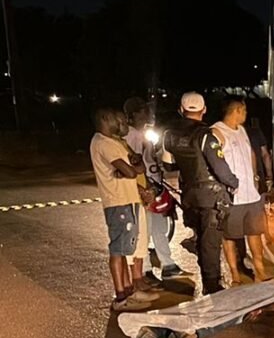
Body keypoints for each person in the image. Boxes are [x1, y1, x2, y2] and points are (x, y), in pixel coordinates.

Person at [163, 92, 238, 296]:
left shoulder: (169, 134)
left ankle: (208, 278)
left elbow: (168, 165)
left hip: (189, 195)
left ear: (181, 109)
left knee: (200, 239)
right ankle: (212, 285)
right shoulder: (205, 135)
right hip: (211, 196)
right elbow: (219, 167)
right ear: (204, 110)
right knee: (210, 243)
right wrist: (233, 182)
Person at [89, 107, 159, 312]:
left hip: (127, 199)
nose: (122, 124)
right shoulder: (103, 143)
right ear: (104, 118)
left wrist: (132, 168)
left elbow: (138, 167)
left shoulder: (113, 142)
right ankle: (120, 296)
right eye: (116, 120)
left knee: (126, 245)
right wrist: (131, 168)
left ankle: (129, 291)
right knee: (118, 249)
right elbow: (130, 170)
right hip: (117, 202)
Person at [123, 97, 183, 280]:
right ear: (134, 114)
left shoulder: (144, 133)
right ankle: (145, 269)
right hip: (145, 188)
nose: (147, 113)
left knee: (159, 226)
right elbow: (133, 163)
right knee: (145, 229)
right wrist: (143, 187)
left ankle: (168, 264)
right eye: (143, 110)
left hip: (156, 185)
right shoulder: (130, 135)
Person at [210, 97, 269, 283]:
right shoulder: (217, 131)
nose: (246, 114)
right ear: (237, 110)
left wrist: (255, 177)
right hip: (232, 197)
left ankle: (260, 272)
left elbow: (251, 153)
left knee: (255, 233)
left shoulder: (242, 130)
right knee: (230, 236)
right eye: (244, 110)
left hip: (251, 194)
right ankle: (235, 274)